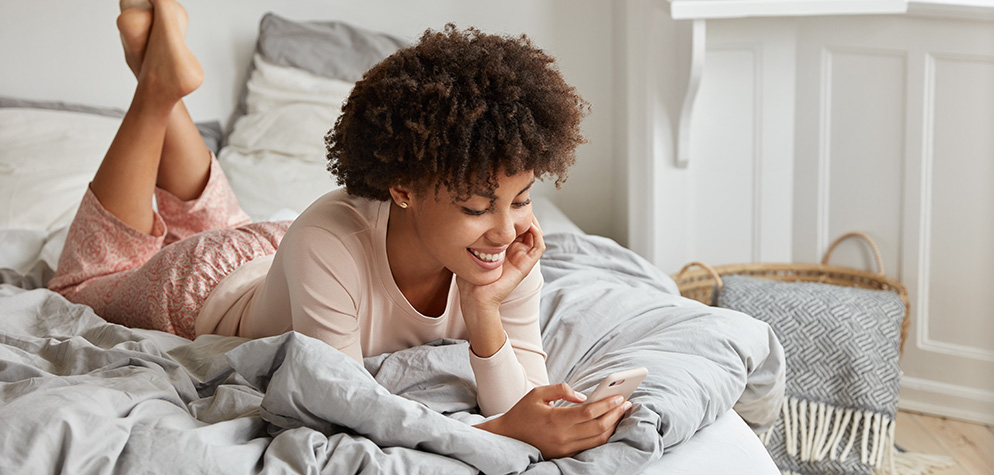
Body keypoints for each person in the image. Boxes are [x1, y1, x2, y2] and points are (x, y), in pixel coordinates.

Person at [47, 0, 629, 459]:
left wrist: (483, 311)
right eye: (477, 208)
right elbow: (345, 406)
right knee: (80, 286)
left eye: (522, 199)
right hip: (208, 284)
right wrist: (500, 429)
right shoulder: (329, 241)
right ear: (402, 187)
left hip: (284, 256)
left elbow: (526, 393)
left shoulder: (505, 253)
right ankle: (154, 89)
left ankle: (162, 67)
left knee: (221, 218)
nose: (506, 231)